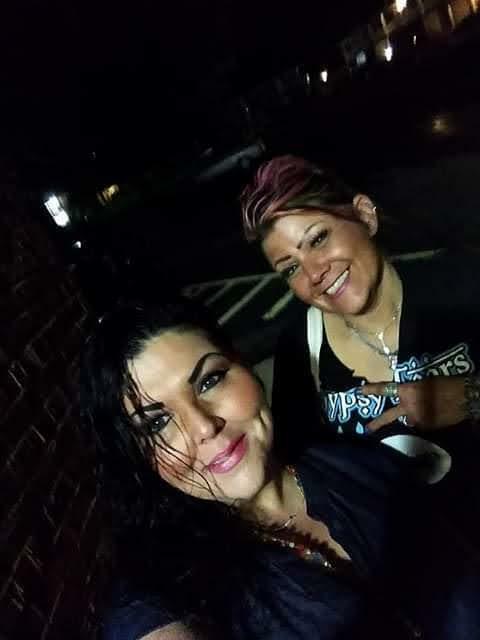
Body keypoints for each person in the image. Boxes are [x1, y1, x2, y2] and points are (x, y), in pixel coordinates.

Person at [81, 298, 480, 640]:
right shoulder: (161, 591)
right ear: (136, 456)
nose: (203, 427)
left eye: (209, 381)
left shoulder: (363, 464)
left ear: (244, 365)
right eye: (157, 424)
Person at [240, 155, 480, 465]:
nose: (314, 273)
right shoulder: (299, 349)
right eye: (290, 269)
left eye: (318, 239)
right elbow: (304, 469)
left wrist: (471, 395)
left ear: (365, 216)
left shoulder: (462, 285)